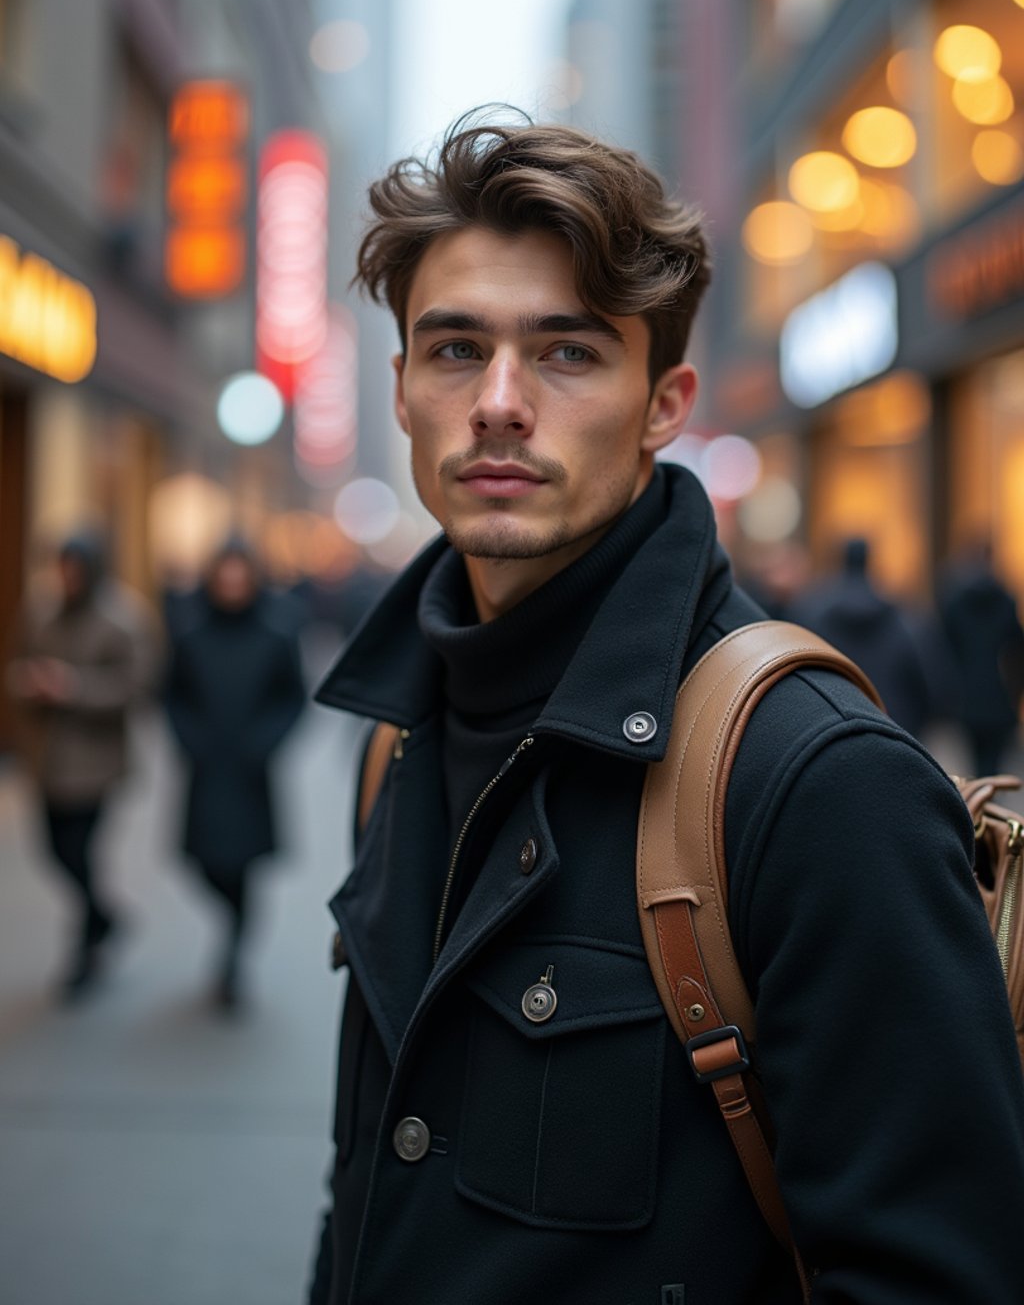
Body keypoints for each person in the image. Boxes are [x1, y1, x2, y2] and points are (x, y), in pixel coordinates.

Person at [307, 113, 1024, 1305]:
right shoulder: (395, 737)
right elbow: (367, 1190)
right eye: (452, 350)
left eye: (567, 352)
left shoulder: (812, 781)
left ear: (663, 401)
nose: (496, 401)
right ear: (399, 390)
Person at [5, 532, 155, 999]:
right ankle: (105, 917)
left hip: (96, 764)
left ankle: (84, 949)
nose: (68, 577)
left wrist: (72, 688)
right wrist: (30, 684)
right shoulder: (40, 612)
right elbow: (14, 665)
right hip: (47, 760)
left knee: (81, 852)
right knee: (54, 851)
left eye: (76, 568)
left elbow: (135, 687)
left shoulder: (123, 618)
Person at [165, 539, 306, 1010]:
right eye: (223, 575)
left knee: (243, 867)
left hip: (249, 772)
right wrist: (190, 740)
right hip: (206, 770)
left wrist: (265, 743)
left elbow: (293, 698)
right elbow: (171, 694)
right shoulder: (190, 633)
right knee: (203, 863)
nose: (231, 584)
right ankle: (231, 925)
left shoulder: (276, 634)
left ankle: (233, 961)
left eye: (239, 574)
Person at [791, 535, 935, 738]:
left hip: (830, 730)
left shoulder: (811, 612)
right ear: (869, 559)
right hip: (895, 726)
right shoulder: (900, 615)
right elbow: (922, 677)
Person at [939, 540, 1024, 775]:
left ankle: (980, 805)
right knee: (993, 767)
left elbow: (944, 653)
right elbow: (1018, 651)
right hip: (1000, 699)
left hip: (967, 699)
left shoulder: (956, 604)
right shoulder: (1005, 602)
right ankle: (988, 803)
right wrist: (1015, 692)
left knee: (976, 766)